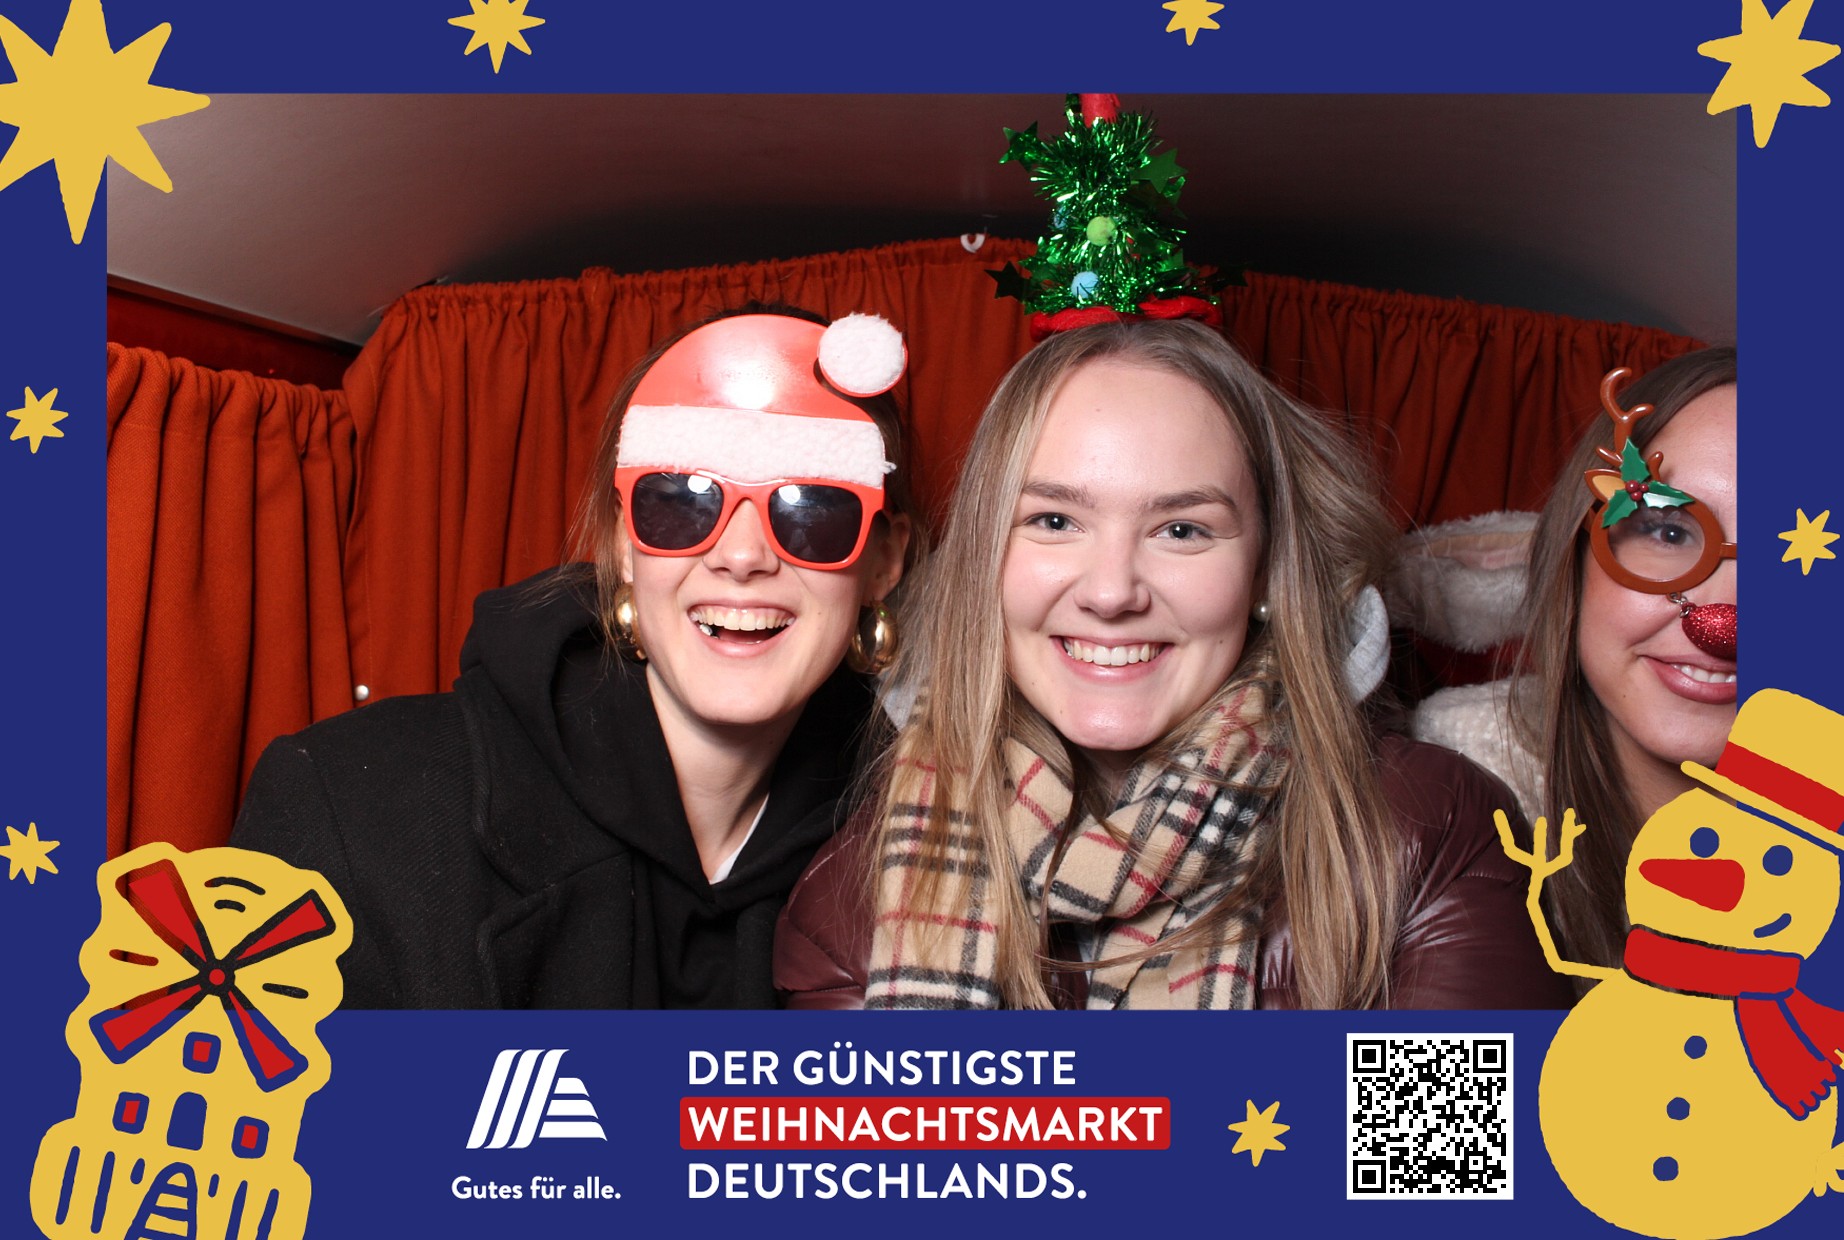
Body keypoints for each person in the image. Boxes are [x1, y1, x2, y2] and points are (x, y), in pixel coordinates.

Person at [774, 319, 1571, 1010]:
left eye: (1182, 530)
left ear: (1266, 573)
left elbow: (1452, 1144)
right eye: (1054, 520)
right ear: (984, 562)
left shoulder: (1427, 830)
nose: (1111, 591)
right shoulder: (852, 900)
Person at [232, 307, 915, 1008]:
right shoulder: (343, 805)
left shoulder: (931, 859)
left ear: (884, 562)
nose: (742, 556)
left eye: (813, 510)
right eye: (681, 502)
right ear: (623, 544)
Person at [1411, 347, 1737, 972]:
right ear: (1574, 563)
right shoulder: (1435, 825)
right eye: (1669, 531)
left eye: (1791, 553)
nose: (1721, 620)